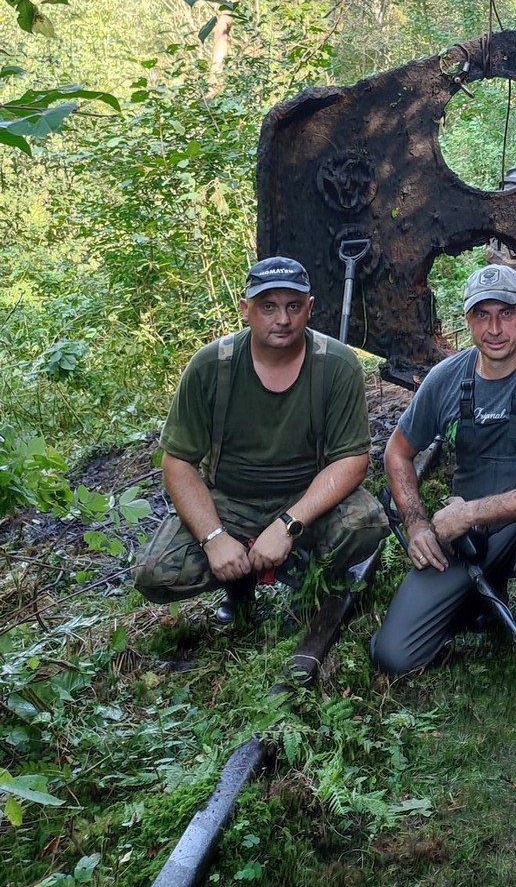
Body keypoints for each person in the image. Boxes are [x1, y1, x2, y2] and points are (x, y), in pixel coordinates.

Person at [135, 256, 386, 624]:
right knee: (156, 573)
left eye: (293, 307)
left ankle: (311, 580)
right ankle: (241, 580)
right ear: (245, 309)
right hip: (230, 503)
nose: (282, 320)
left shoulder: (336, 365)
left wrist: (287, 525)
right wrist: (214, 537)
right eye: (268, 307)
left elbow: (352, 461)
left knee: (363, 523)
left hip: (306, 499)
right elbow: (177, 462)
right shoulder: (211, 366)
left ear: (310, 309)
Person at [371, 264, 516, 678]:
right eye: (481, 315)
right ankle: (479, 602)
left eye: (505, 313)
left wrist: (470, 513)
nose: (494, 328)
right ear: (468, 319)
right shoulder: (445, 379)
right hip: (467, 539)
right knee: (393, 657)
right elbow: (397, 453)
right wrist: (417, 524)